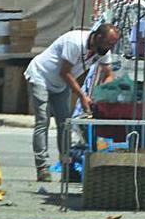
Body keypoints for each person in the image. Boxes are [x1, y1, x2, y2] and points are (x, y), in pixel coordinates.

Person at [24, 24, 120, 182]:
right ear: (98, 37)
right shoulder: (75, 42)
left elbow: (108, 74)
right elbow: (65, 72)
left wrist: (100, 93)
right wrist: (82, 96)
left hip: (60, 84)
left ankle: (67, 166)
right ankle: (42, 168)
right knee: (43, 121)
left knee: (65, 124)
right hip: (41, 76)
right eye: (108, 43)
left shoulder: (103, 50)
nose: (110, 47)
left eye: (112, 44)